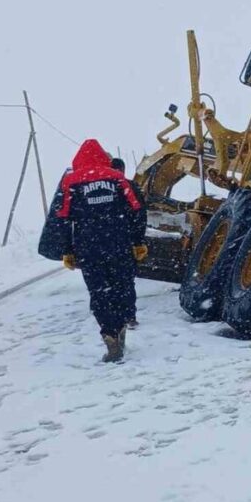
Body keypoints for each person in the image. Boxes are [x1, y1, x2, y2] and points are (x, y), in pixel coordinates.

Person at [45, 139, 147, 362]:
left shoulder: (71, 183)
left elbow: (62, 219)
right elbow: (137, 210)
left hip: (88, 247)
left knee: (99, 292)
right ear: (104, 158)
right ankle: (122, 326)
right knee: (122, 285)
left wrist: (67, 250)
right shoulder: (119, 179)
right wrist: (138, 240)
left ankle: (109, 335)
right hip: (119, 243)